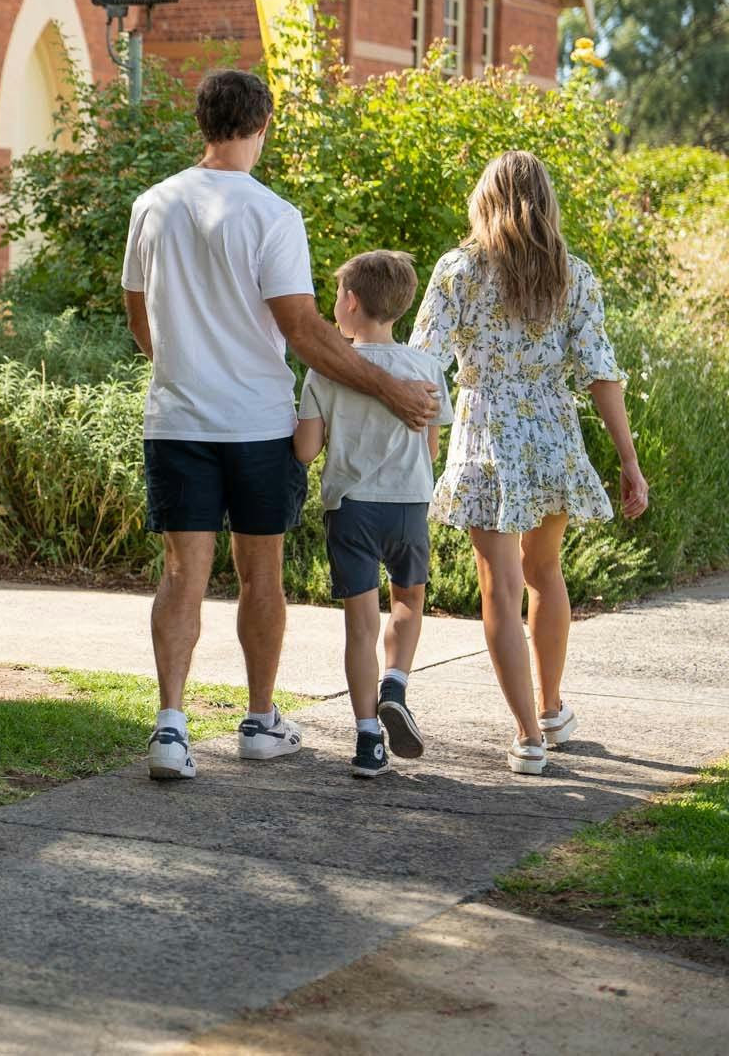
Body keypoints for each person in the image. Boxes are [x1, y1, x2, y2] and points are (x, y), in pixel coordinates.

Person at [122, 70, 440, 782]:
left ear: (202, 123)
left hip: (176, 420)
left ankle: (170, 727)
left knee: (182, 572)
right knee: (260, 572)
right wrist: (389, 388)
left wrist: (185, 364)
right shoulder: (272, 213)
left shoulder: (153, 204)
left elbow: (140, 320)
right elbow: (302, 327)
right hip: (257, 425)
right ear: (262, 125)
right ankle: (259, 721)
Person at [411, 151, 648, 776]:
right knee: (545, 571)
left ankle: (528, 736)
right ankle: (549, 710)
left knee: (501, 585)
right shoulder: (573, 275)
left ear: (485, 201)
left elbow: (423, 363)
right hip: (552, 432)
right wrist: (628, 460)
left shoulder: (458, 270)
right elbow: (601, 373)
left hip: (486, 431)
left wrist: (419, 439)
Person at [293, 251, 454, 778]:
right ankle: (396, 686)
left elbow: (305, 451)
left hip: (351, 509)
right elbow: (431, 449)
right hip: (407, 505)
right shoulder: (426, 368)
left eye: (337, 295)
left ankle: (367, 740)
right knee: (407, 600)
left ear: (351, 301)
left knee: (359, 626)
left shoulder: (326, 371)